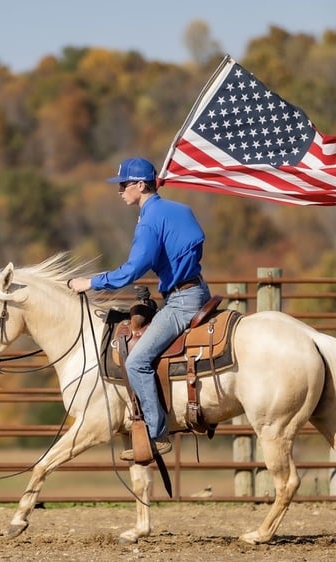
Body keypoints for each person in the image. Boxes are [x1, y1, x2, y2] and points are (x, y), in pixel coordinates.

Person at [67, 157, 211, 461]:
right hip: (198, 289)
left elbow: (132, 270)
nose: (120, 191)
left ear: (141, 185)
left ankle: (157, 435)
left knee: (136, 362)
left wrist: (90, 283)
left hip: (181, 302)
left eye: (124, 184)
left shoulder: (149, 221)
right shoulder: (181, 209)